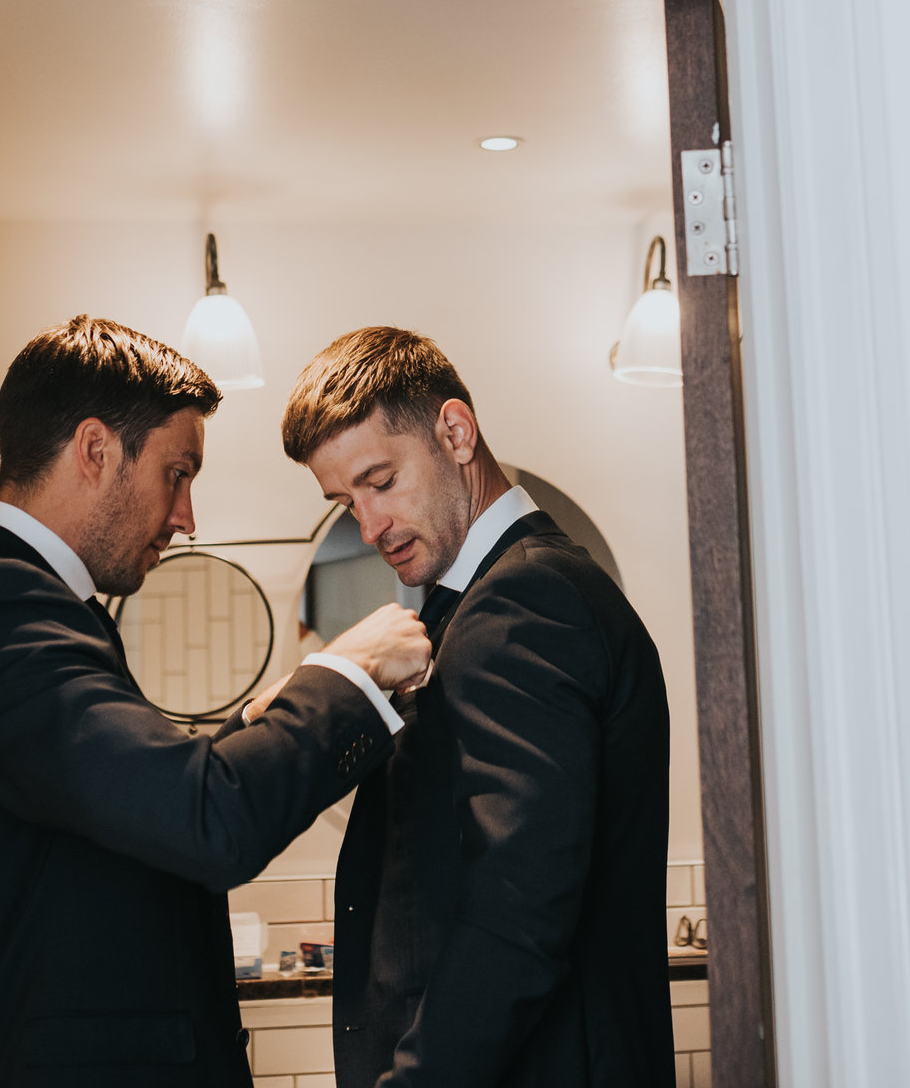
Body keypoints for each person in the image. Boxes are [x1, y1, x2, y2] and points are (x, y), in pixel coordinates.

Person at [0, 315, 430, 1088]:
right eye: (179, 472)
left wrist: (255, 725)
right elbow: (206, 822)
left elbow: (130, 807)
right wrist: (348, 671)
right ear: (96, 449)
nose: (187, 517)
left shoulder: (27, 606)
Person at [280, 326, 675, 1088]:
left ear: (455, 433)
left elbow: (518, 908)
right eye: (345, 500)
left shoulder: (525, 602)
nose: (369, 527)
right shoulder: (489, 601)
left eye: (381, 480)